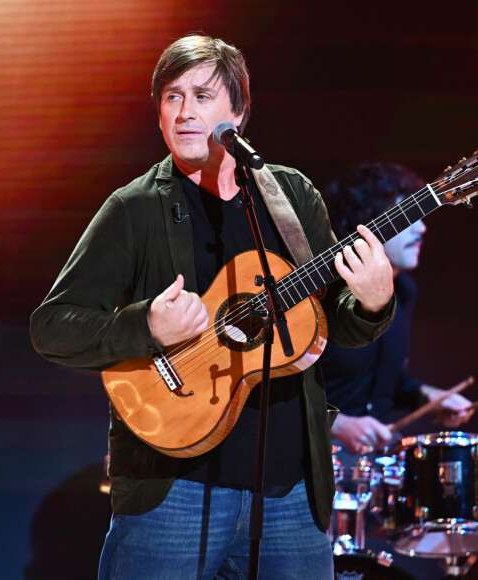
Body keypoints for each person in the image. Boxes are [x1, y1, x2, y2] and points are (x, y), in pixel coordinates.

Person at [30, 34, 396, 579]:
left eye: (202, 97)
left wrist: (373, 302)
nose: (183, 113)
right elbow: (52, 327)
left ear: (239, 113)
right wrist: (147, 325)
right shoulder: (135, 209)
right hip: (172, 491)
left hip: (289, 494)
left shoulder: (290, 197)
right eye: (172, 98)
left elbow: (329, 322)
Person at [320, 161, 473, 457]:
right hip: (315, 459)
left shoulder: (404, 290)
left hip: (371, 459)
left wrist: (428, 396)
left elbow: (381, 376)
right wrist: (336, 424)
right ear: (369, 224)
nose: (423, 228)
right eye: (410, 219)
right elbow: (281, 388)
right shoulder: (326, 296)